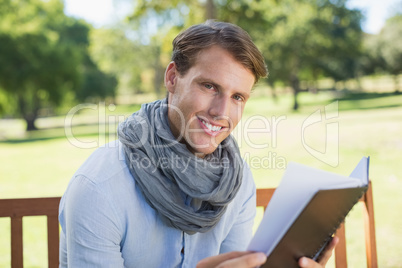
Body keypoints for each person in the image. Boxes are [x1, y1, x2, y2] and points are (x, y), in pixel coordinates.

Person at [58, 20, 337, 267]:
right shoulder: (100, 187)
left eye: (238, 97)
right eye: (209, 86)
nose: (221, 112)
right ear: (172, 78)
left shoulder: (237, 182)